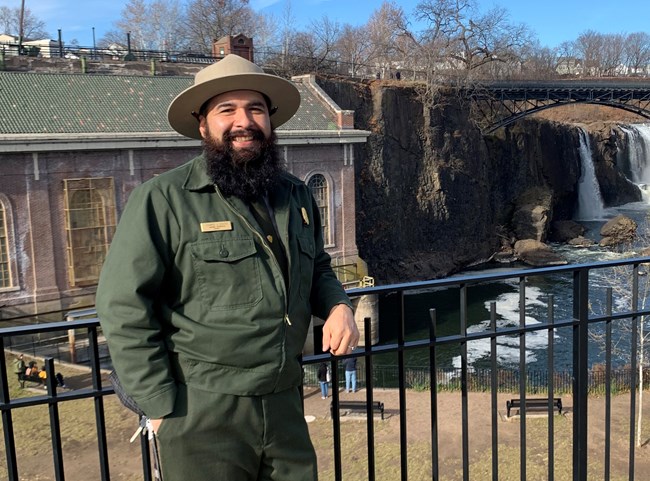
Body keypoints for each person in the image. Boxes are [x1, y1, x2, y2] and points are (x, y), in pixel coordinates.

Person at [96, 54, 360, 481]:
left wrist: (338, 305)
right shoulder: (163, 200)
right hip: (201, 410)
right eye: (227, 110)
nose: (244, 121)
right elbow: (122, 305)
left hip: (285, 403)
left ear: (270, 121)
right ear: (203, 124)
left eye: (255, 109)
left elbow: (320, 268)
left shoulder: (294, 195)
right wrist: (161, 406)